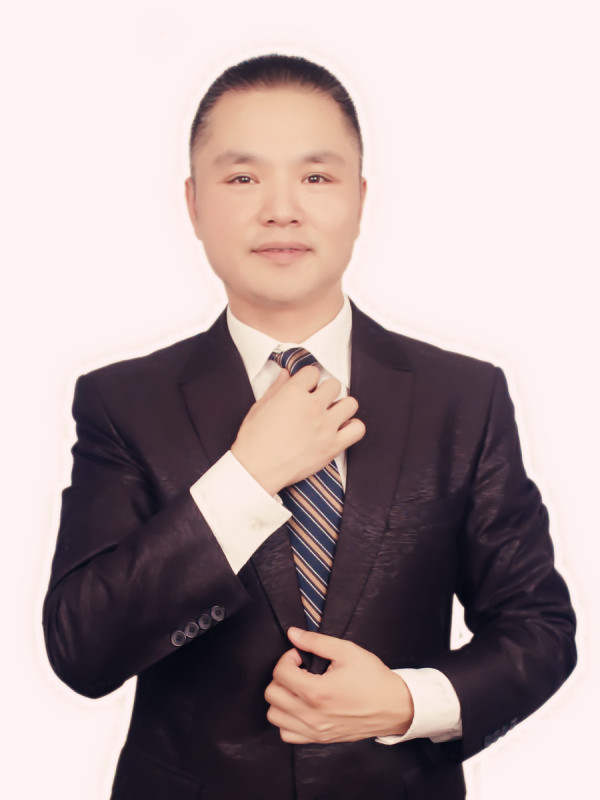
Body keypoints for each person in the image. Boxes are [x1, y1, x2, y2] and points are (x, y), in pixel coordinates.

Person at [42, 53, 577, 800]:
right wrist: (246, 478)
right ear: (193, 204)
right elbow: (83, 649)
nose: (281, 210)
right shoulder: (121, 402)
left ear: (360, 199)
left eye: (316, 177)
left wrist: (406, 701)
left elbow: (539, 629)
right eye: (242, 178)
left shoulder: (464, 397)